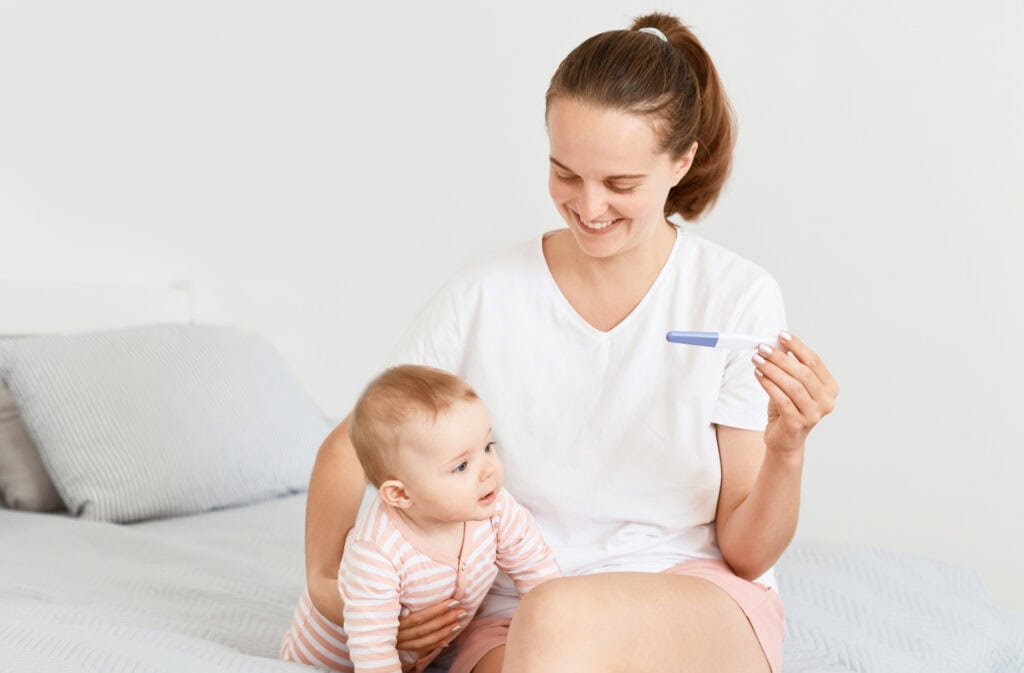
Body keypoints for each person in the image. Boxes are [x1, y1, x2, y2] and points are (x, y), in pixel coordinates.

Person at [292, 11, 839, 673]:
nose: (589, 205)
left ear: (682, 162)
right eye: (565, 173)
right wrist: (328, 586)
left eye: (621, 184)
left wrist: (787, 448)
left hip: (690, 595)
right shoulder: (488, 292)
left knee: (556, 610)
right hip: (509, 618)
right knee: (545, 617)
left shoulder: (735, 296)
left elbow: (748, 552)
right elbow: (352, 444)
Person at [280, 365, 560, 673]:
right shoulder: (378, 553)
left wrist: (556, 637)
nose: (489, 469)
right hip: (334, 662)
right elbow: (373, 652)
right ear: (400, 495)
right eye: (461, 466)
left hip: (418, 658)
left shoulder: (497, 509)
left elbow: (541, 578)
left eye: (488, 447)